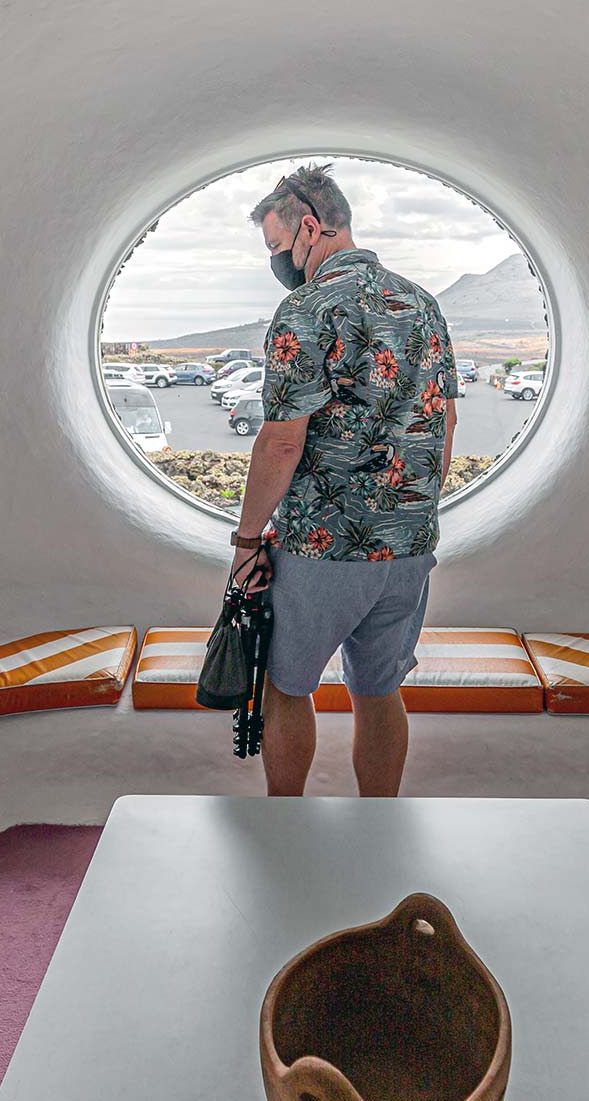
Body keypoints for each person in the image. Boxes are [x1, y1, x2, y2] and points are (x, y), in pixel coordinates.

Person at [224, 161, 459, 798]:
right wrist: (411, 514)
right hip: (408, 548)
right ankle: (379, 830)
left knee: (286, 686)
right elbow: (446, 423)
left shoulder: (305, 309)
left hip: (324, 549)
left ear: (309, 227)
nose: (279, 262)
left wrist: (248, 540)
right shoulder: (422, 304)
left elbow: (281, 440)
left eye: (277, 247)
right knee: (380, 692)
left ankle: (285, 824)